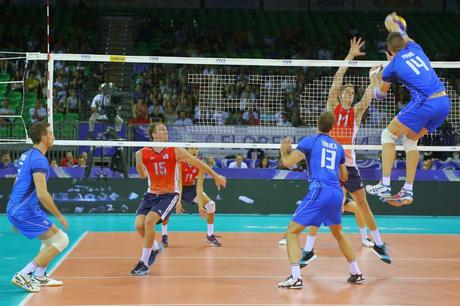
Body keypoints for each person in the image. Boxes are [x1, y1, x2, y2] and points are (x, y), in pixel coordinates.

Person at [293, 37, 391, 263]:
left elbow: (369, 95)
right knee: (321, 206)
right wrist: (350, 55)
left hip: (349, 165)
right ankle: (309, 249)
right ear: (339, 97)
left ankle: (377, 243)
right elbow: (337, 79)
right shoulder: (331, 109)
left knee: (363, 204)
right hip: (330, 167)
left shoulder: (356, 113)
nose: (347, 96)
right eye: (344, 94)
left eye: (350, 94)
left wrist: (375, 78)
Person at [366, 13, 451, 207]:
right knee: (410, 139)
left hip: (425, 103)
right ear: (404, 43)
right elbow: (402, 33)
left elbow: (379, 96)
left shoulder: (392, 66)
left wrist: (374, 79)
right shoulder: (415, 47)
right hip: (444, 102)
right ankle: (407, 191)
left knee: (388, 135)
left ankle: (385, 184)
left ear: (388, 49)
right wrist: (393, 24)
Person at [277, 112, 364, 289]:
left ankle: (295, 277)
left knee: (292, 232)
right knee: (338, 233)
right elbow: (345, 175)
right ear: (332, 127)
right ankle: (356, 272)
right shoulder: (338, 147)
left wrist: (283, 151)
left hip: (320, 190)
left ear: (317, 124)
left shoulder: (310, 141)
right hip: (336, 192)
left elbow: (287, 163)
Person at [130, 123, 226, 276]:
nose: (165, 131)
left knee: (149, 222)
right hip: (151, 194)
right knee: (139, 225)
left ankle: (144, 263)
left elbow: (198, 163)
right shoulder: (142, 153)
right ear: (153, 134)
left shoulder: (175, 150)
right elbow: (142, 175)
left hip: (169, 194)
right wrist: (139, 163)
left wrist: (216, 176)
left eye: (165, 129)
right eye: (161, 129)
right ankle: (154, 247)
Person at [7, 122, 69, 292]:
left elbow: (18, 184)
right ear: (44, 138)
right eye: (51, 133)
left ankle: (40, 276)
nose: (53, 137)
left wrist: (14, 211)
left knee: (50, 239)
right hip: (24, 210)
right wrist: (59, 215)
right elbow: (42, 194)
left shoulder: (27, 155)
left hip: (22, 208)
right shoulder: (39, 160)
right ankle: (24, 274)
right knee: (62, 240)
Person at [160, 147, 222, 248]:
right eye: (192, 149)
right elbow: (179, 184)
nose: (194, 151)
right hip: (175, 187)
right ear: (186, 151)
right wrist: (178, 201)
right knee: (167, 210)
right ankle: (164, 236)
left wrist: (200, 206)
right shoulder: (180, 163)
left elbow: (199, 186)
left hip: (191, 189)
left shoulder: (199, 164)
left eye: (196, 149)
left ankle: (210, 235)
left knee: (211, 205)